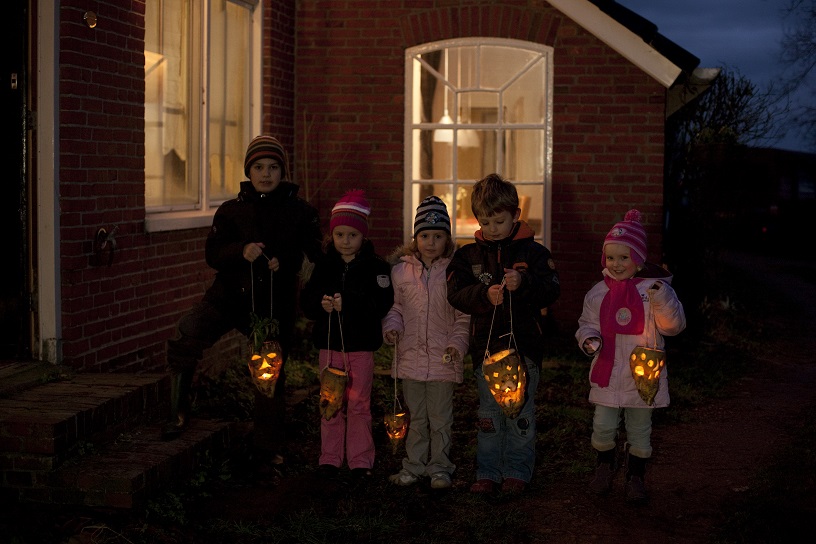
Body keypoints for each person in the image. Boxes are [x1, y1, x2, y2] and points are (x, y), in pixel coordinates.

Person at [163, 136, 323, 472]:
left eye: (273, 167)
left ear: (283, 171)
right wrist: (241, 251)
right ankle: (178, 412)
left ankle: (268, 450)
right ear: (249, 171)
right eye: (259, 167)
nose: (266, 174)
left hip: (270, 308)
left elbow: (313, 255)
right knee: (185, 333)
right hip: (228, 298)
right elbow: (213, 254)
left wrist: (286, 260)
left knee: (269, 374)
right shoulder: (231, 210)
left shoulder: (301, 213)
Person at [446, 173, 560, 494]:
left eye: (499, 220)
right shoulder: (468, 256)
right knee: (489, 415)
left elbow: (552, 289)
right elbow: (455, 292)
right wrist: (484, 296)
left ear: (515, 215)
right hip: (486, 351)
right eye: (486, 221)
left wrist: (523, 286)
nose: (493, 228)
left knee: (520, 414)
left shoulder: (534, 254)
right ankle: (487, 472)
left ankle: (517, 472)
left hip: (524, 350)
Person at [576, 209, 686, 503]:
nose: (616, 264)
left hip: (642, 376)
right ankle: (604, 465)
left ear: (638, 259)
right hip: (609, 372)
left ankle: (635, 475)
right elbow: (586, 324)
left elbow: (673, 327)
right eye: (611, 257)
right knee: (603, 425)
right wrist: (589, 339)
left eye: (624, 257)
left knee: (640, 428)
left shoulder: (653, 291)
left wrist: (663, 299)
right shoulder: (598, 293)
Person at [300, 190, 394, 480]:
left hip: (361, 346)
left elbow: (382, 303)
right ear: (333, 234)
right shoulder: (324, 265)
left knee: (359, 403)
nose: (345, 241)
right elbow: (306, 301)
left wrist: (349, 303)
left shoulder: (376, 267)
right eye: (339, 234)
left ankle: (360, 460)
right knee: (330, 401)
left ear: (363, 236)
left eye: (352, 235)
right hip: (330, 348)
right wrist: (321, 303)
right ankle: (329, 458)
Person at [382, 196, 470, 489]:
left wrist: (457, 345)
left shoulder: (454, 273)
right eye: (424, 236)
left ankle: (440, 467)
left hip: (443, 361)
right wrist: (392, 327)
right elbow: (395, 307)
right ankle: (413, 466)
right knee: (417, 418)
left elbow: (462, 317)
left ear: (447, 238)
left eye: (438, 236)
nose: (431, 242)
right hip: (410, 358)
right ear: (415, 238)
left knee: (441, 419)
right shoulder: (400, 272)